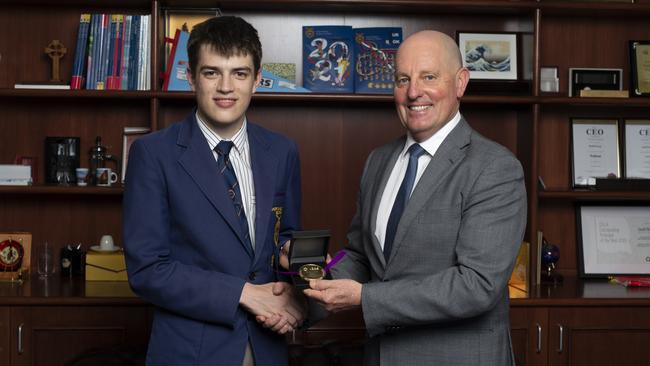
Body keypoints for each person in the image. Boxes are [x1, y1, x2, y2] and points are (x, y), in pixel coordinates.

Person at [298, 30, 527, 365]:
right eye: (402, 79)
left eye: (429, 77)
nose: (413, 92)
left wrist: (365, 299)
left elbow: (476, 285)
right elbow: (362, 257)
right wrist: (310, 280)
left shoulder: (495, 168)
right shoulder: (378, 160)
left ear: (461, 83)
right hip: (381, 355)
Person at [123, 16, 305, 366]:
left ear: (256, 80)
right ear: (190, 77)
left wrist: (295, 270)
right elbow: (147, 270)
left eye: (239, 73)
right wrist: (244, 294)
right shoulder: (153, 154)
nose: (226, 86)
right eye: (211, 73)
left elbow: (286, 236)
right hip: (191, 351)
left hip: (268, 345)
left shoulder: (282, 152)